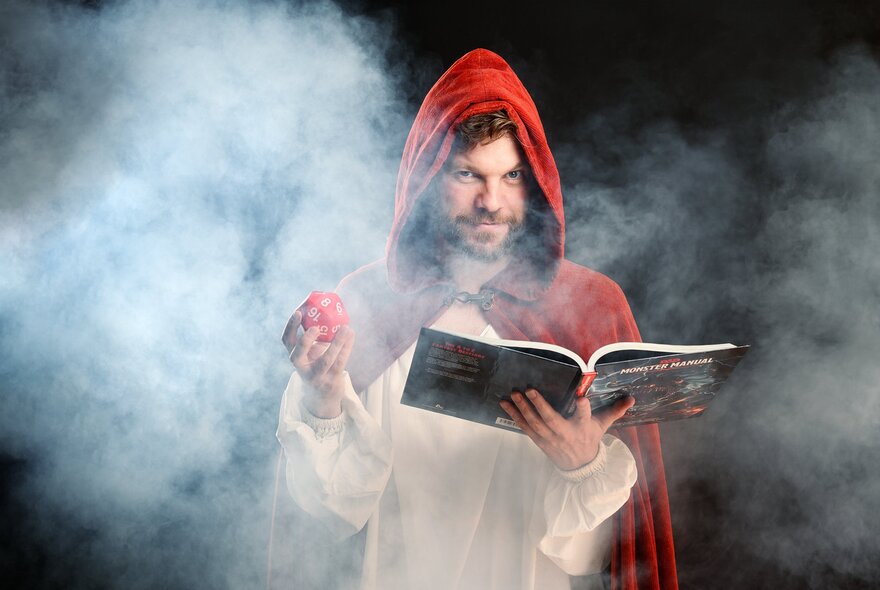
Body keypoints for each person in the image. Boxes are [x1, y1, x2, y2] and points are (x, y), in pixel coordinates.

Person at [274, 49, 677, 590]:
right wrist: (322, 409)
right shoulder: (369, 300)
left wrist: (584, 466)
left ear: (534, 181)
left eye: (511, 175)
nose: (492, 200)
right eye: (469, 174)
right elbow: (333, 514)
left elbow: (611, 550)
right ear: (428, 178)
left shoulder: (592, 305)